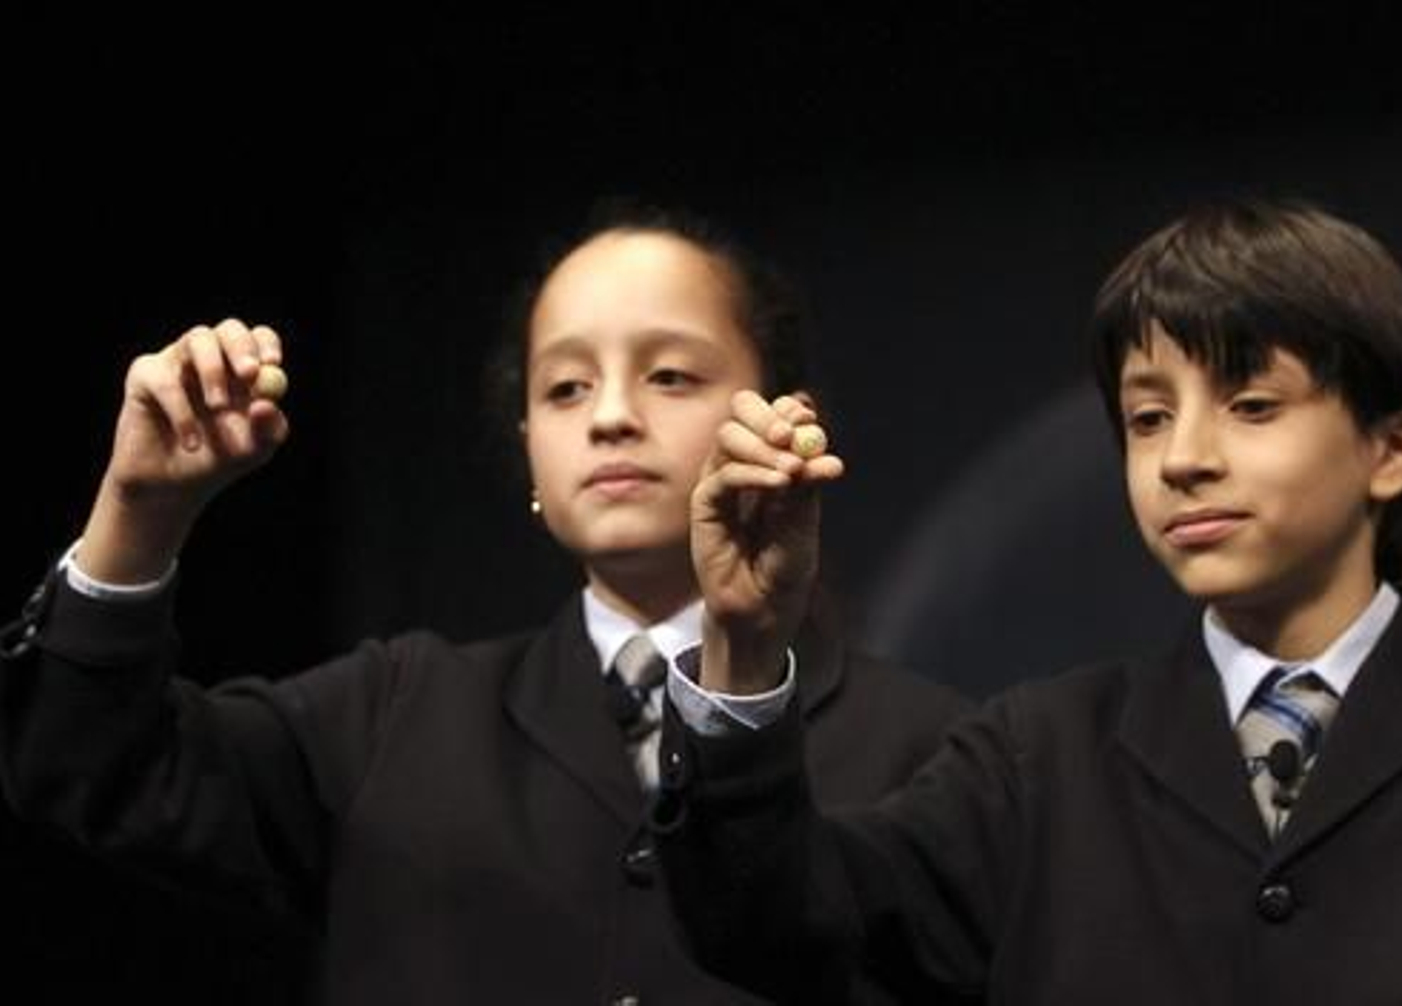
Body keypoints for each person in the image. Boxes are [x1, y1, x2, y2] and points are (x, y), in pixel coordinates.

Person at [0, 201, 969, 1004]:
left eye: (670, 374)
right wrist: (140, 509)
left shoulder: (929, 750)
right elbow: (90, 766)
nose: (610, 415)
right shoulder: (392, 714)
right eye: (565, 387)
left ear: (786, 414)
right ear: (528, 450)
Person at [657, 197, 1402, 1003]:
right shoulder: (1037, 760)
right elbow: (775, 929)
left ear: (1396, 449)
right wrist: (743, 644)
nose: (1182, 459)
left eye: (1251, 405)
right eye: (1149, 417)